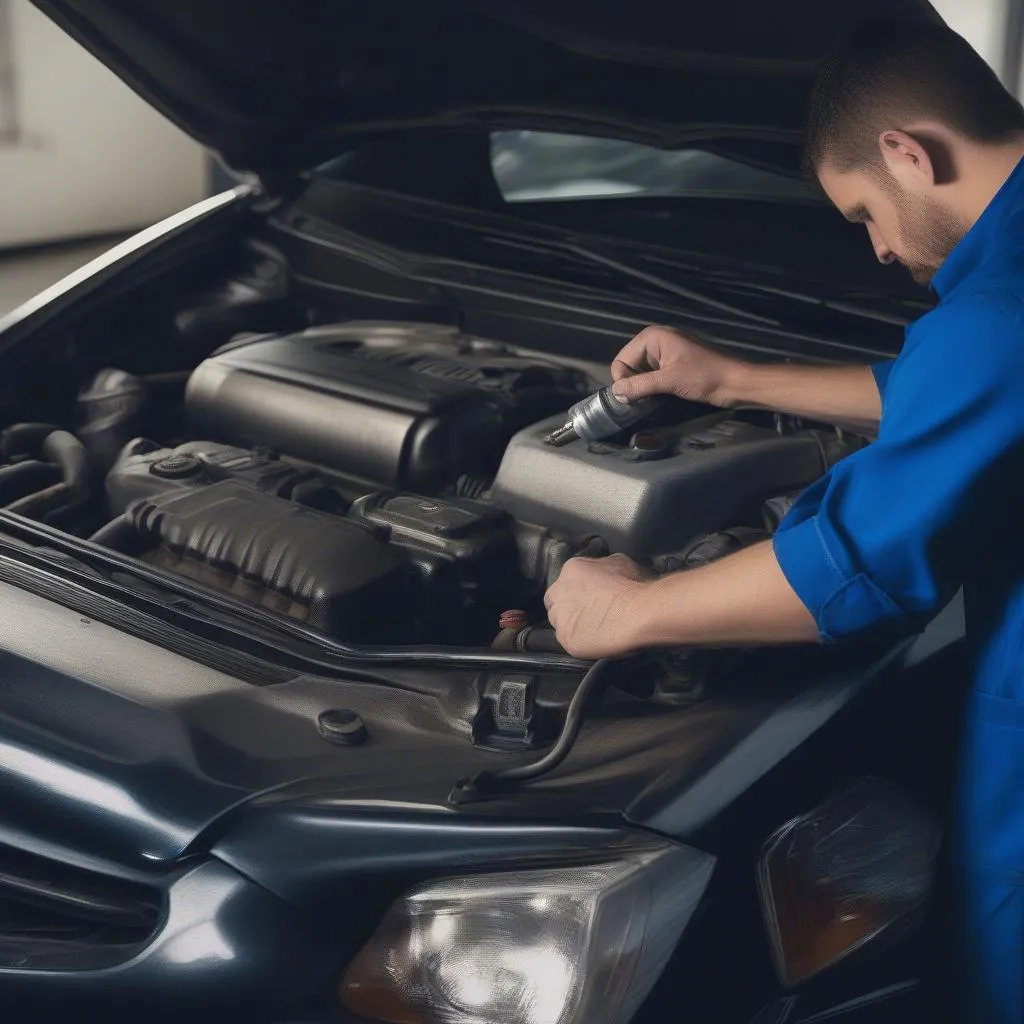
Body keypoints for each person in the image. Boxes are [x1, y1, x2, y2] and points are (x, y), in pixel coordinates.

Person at [543, 19, 1024, 1023]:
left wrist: (631, 610)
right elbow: (958, 398)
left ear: (907, 153)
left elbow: (857, 569)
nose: (881, 248)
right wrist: (730, 377)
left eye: (860, 213)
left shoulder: (999, 310)